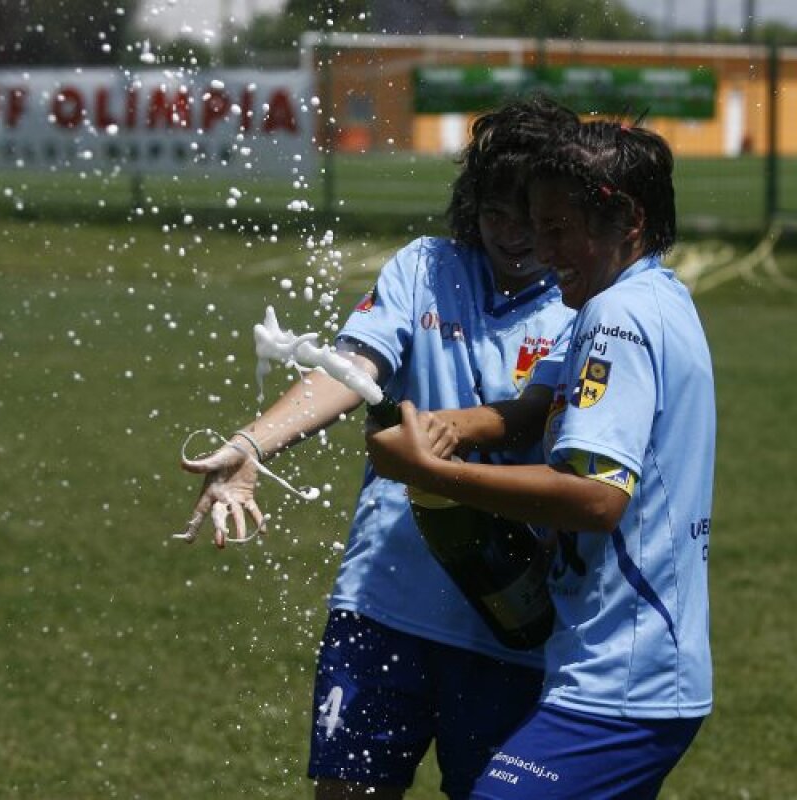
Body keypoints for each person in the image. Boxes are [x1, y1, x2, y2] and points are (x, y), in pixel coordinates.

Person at [176, 96, 579, 800]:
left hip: (508, 626)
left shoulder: (586, 306)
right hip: (382, 606)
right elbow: (351, 367)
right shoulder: (425, 267)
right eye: (495, 215)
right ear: (470, 207)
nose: (513, 236)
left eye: (531, 217)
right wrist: (253, 444)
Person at [366, 120, 716, 799]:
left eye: (559, 229)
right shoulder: (655, 297)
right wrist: (442, 429)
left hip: (623, 679)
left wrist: (434, 475)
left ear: (628, 218)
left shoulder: (618, 319)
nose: (543, 249)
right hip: (625, 670)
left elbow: (595, 498)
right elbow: (533, 412)